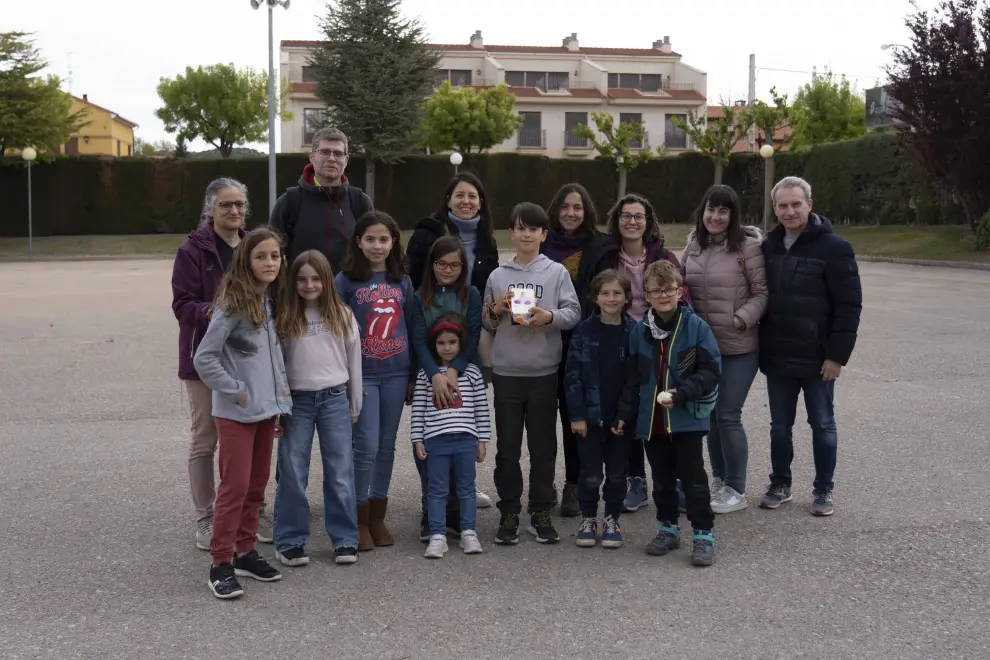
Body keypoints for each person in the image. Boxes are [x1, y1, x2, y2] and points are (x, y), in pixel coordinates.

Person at [193, 227, 292, 600]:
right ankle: (220, 563)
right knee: (233, 488)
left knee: (256, 486)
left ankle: (245, 553)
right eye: (261, 256)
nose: (269, 263)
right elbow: (204, 357)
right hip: (236, 414)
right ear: (246, 260)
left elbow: (273, 360)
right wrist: (236, 391)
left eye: (275, 256)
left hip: (265, 413)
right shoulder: (233, 302)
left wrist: (278, 404)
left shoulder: (267, 300)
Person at [758, 176, 862, 517]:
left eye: (795, 204)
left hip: (819, 359)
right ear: (775, 208)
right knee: (778, 426)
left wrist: (837, 356)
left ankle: (823, 488)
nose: (789, 211)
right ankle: (780, 483)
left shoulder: (835, 248)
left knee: (823, 424)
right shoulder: (768, 248)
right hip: (778, 356)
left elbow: (849, 307)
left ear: (809, 205)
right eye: (783, 205)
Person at [483, 202, 581, 546]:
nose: (527, 234)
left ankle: (540, 509)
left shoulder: (556, 273)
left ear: (544, 234)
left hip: (543, 372)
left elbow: (574, 312)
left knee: (543, 448)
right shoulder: (498, 276)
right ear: (511, 233)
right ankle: (509, 510)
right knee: (508, 448)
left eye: (533, 229)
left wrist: (549, 316)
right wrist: (497, 308)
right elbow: (486, 322)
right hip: (507, 372)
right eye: (520, 228)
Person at [614, 260, 721, 567]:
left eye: (669, 290)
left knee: (692, 477)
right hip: (653, 420)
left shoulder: (696, 327)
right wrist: (625, 414)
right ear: (645, 295)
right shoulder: (640, 332)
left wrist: (682, 393)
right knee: (661, 477)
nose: (663, 296)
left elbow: (710, 371)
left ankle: (703, 532)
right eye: (655, 291)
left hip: (687, 416)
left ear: (679, 291)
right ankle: (668, 527)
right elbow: (632, 380)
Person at [681, 185, 768, 514]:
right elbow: (679, 283)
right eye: (710, 210)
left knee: (728, 415)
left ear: (733, 215)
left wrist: (741, 320)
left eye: (723, 211)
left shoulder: (748, 247)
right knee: (710, 418)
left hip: (738, 347)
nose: (715, 217)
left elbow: (761, 293)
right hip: (703, 349)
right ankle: (719, 481)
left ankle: (736, 488)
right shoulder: (694, 245)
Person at [273, 250, 363, 567]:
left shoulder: (342, 315)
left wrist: (354, 404)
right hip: (296, 401)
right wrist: (277, 407)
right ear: (292, 281)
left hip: (334, 398)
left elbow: (354, 361)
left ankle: (345, 539)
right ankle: (290, 539)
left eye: (315, 279)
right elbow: (277, 365)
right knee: (293, 471)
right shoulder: (284, 316)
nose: (309, 285)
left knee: (339, 471)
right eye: (301, 279)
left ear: (326, 280)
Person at [171, 178, 247, 551]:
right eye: (226, 205)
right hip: (203, 356)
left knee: (249, 433)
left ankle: (252, 508)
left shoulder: (253, 246)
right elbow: (182, 305)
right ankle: (205, 515)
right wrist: (217, 313)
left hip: (248, 357)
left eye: (239, 205)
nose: (234, 211)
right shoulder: (193, 251)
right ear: (211, 210)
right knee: (206, 437)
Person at [606, 192, 693, 514]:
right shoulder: (608, 256)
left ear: (648, 221)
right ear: (617, 220)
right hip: (623, 341)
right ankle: (636, 481)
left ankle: (674, 481)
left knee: (665, 408)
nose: (632, 221)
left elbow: (681, 296)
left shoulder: (665, 257)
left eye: (638, 216)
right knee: (628, 409)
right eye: (626, 216)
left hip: (662, 341)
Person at [335, 211, 414, 550]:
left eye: (384, 239)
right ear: (358, 242)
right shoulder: (346, 281)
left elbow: (410, 324)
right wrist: (347, 378)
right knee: (364, 447)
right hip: (363, 375)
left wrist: (412, 377)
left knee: (385, 446)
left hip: (396, 373)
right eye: (370, 239)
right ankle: (359, 517)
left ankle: (378, 515)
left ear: (393, 242)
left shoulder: (402, 280)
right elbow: (335, 333)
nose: (377, 246)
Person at [542, 183, 618, 518]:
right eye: (565, 207)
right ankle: (544, 485)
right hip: (542, 344)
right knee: (543, 421)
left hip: (581, 344)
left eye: (577, 207)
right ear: (555, 210)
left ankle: (575, 485)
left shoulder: (600, 246)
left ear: (586, 211)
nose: (571, 213)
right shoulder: (541, 243)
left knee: (576, 418)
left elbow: (601, 293)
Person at [408, 236, 489, 541]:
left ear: (463, 266)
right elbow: (418, 338)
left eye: (455, 264)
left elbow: (472, 336)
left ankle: (455, 514)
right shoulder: (420, 297)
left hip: (463, 374)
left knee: (460, 442)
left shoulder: (470, 293)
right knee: (431, 446)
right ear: (433, 264)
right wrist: (434, 375)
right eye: (442, 263)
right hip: (430, 376)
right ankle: (432, 513)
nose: (448, 269)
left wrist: (454, 371)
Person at [564, 269, 635, 549]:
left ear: (627, 297)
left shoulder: (634, 332)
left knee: (617, 473)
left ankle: (612, 519)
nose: (611, 298)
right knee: (590, 472)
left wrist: (626, 416)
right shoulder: (584, 330)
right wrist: (577, 414)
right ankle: (588, 518)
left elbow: (635, 380)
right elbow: (572, 377)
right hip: (589, 419)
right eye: (605, 293)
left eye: (617, 293)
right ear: (595, 297)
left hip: (620, 419)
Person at [411, 314, 490, 559]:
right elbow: (419, 410)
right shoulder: (427, 375)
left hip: (466, 440)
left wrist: (482, 440)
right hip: (436, 440)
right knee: (436, 490)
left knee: (466, 489)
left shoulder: (473, 373)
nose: (447, 347)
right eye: (441, 343)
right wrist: (417, 439)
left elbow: (481, 409)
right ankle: (437, 535)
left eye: (452, 342)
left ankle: (468, 532)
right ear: (434, 346)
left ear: (461, 343)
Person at [269, 127, 373, 272]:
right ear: (311, 156)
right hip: (304, 291)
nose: (331, 158)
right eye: (324, 152)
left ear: (346, 160)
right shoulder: (289, 202)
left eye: (338, 153)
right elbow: (273, 254)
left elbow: (373, 252)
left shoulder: (360, 202)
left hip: (349, 292)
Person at [405, 172, 500, 293]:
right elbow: (412, 282)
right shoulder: (425, 235)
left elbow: (489, 288)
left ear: (480, 203)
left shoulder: (488, 242)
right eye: (460, 195)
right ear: (448, 201)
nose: (466, 201)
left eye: (472, 196)